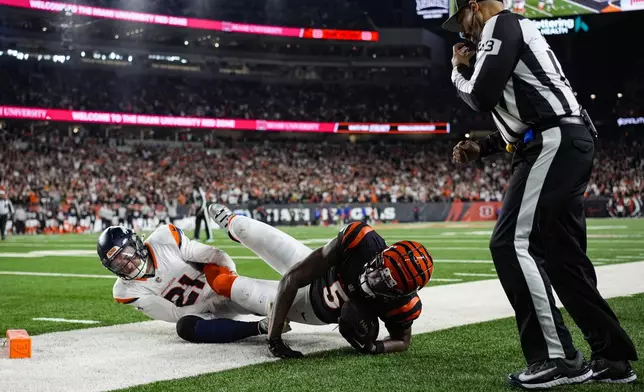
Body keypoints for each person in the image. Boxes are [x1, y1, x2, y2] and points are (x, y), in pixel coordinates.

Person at [443, 0, 637, 388]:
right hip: (563, 138)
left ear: (475, 6)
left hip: (553, 141)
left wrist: (457, 72)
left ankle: (557, 357)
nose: (462, 33)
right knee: (564, 259)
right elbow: (526, 109)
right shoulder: (511, 33)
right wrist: (484, 147)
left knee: (511, 244)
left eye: (461, 21)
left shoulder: (500, 24)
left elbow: (481, 98)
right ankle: (613, 356)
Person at [205, 204, 433, 359]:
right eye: (379, 269)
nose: (374, 278)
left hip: (311, 310)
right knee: (245, 227)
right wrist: (274, 339)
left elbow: (402, 341)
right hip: (309, 267)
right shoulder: (361, 240)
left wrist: (375, 346)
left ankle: (207, 284)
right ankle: (230, 223)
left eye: (386, 283)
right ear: (383, 253)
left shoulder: (404, 306)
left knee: (228, 287)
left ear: (401, 294)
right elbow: (292, 280)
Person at [96, 224, 289, 344]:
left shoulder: (163, 239)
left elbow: (215, 255)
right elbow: (174, 313)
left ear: (136, 243)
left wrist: (231, 282)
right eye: (118, 262)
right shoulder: (125, 290)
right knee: (184, 327)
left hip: (218, 287)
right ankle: (261, 327)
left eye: (126, 253)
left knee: (227, 282)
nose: (127, 263)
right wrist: (209, 306)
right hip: (202, 312)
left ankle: (291, 299)